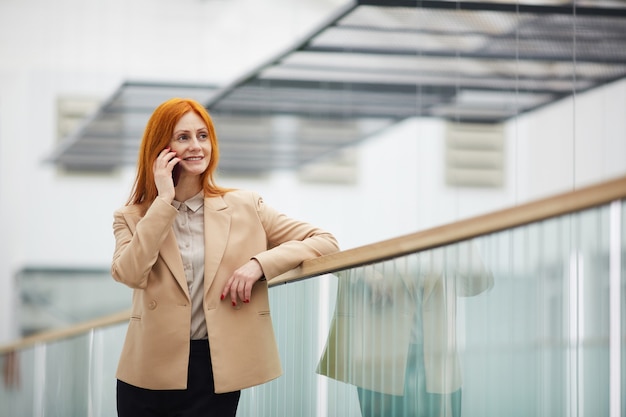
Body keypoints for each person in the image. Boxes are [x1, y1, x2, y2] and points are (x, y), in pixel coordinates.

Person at [111, 97, 339, 417]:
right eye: (183, 137)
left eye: (203, 136)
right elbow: (130, 274)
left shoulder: (245, 206)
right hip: (147, 370)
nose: (196, 146)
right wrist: (164, 202)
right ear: (160, 149)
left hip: (215, 368)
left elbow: (325, 242)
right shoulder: (132, 217)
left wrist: (259, 265)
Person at [317, 241, 493, 417]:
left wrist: (461, 237)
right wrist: (366, 274)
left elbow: (477, 284)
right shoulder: (376, 225)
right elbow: (326, 252)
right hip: (383, 361)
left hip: (436, 361)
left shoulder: (444, 235)